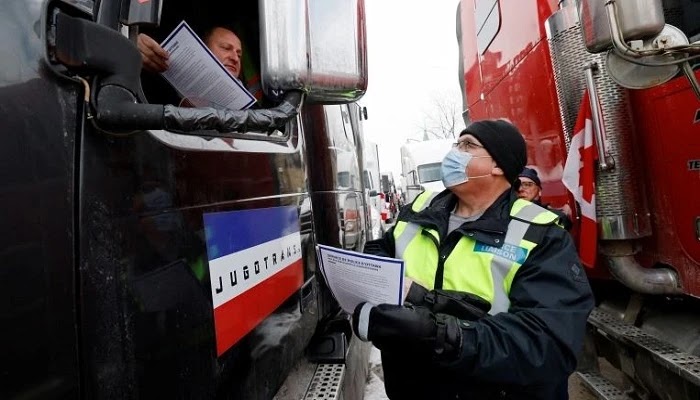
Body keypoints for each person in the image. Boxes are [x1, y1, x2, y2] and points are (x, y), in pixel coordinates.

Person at [352, 119, 594, 399]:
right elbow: (381, 248)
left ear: (499, 165)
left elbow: (547, 343)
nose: (454, 152)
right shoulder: (420, 209)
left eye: (468, 145)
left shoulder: (541, 233)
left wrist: (439, 334)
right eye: (457, 143)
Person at [137, 26, 263, 101]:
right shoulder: (162, 80)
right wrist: (133, 48)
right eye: (226, 48)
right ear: (204, 50)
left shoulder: (252, 111)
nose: (235, 58)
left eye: (239, 55)